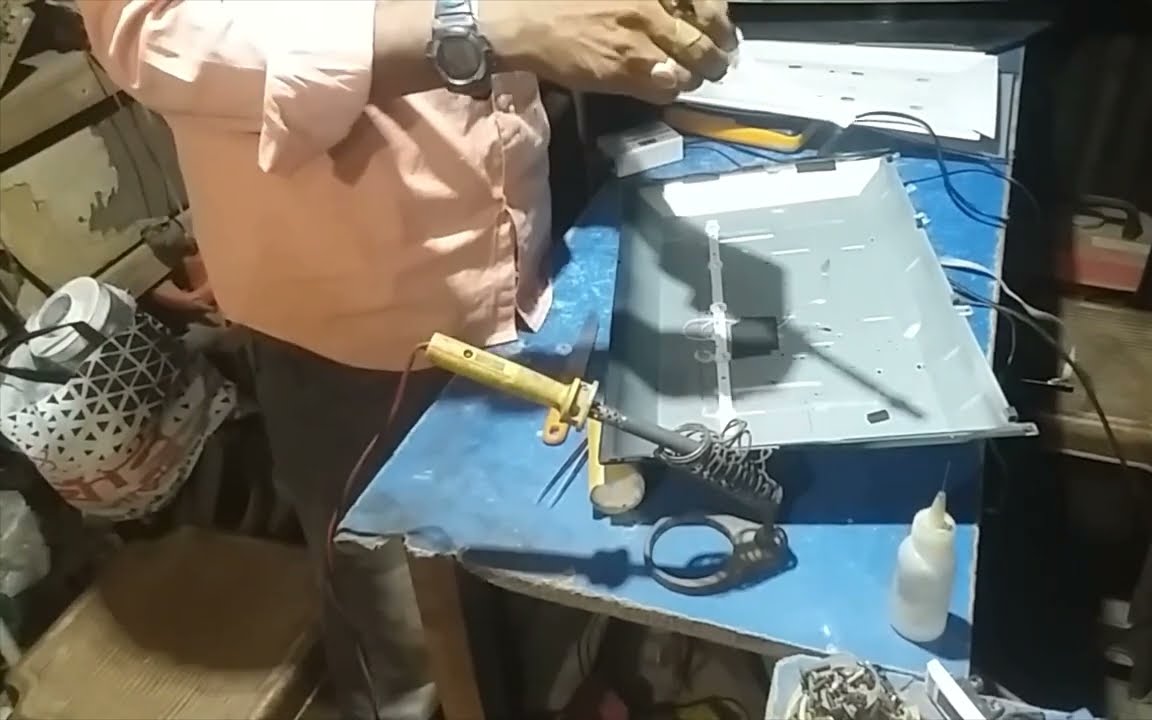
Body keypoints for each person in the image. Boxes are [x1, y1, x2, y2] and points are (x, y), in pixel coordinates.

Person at [78, 1, 738, 718]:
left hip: (523, 267)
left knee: (539, 587)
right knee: (417, 653)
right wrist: (478, 30)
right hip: (351, 328)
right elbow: (149, 33)